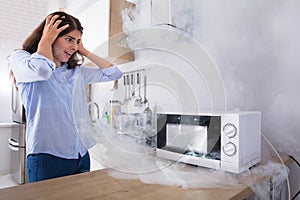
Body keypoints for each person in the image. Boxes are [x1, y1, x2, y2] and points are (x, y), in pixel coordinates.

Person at [9, 11, 123, 183]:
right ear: (50, 35)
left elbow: (114, 73)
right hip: (48, 158)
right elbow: (42, 70)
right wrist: (45, 40)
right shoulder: (23, 59)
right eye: (69, 39)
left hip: (81, 155)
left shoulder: (75, 71)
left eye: (77, 41)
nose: (74, 47)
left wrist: (83, 50)